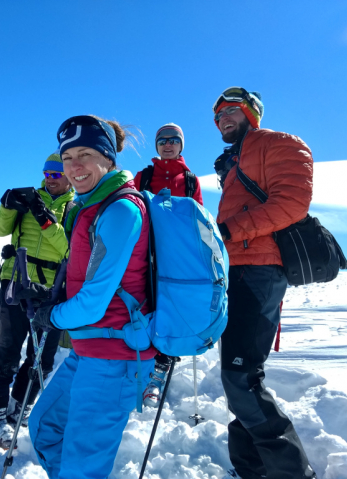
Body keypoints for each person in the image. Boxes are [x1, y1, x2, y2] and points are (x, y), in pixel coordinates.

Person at [27, 115, 157, 478]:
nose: (74, 166)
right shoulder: (92, 205)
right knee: (44, 429)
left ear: (108, 158)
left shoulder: (119, 209)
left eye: (85, 154)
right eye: (67, 157)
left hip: (116, 358)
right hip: (89, 351)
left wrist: (51, 316)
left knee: (82, 467)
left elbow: (94, 302)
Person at [212, 87, 317, 479]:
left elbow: (292, 202)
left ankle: (291, 473)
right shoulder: (233, 160)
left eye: (231, 111)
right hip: (238, 272)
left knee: (240, 377)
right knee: (238, 373)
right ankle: (250, 468)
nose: (223, 118)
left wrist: (227, 230)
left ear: (252, 113)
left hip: (260, 272)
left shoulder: (278, 143)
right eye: (218, 115)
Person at [0, 151, 74, 449]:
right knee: (8, 353)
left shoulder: (75, 207)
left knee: (42, 359)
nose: (52, 180)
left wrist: (45, 220)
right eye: (48, 174)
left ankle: (19, 407)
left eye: (58, 174)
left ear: (70, 175)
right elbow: (0, 230)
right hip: (15, 284)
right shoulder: (27, 199)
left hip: (52, 291)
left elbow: (69, 250)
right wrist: (8, 206)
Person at [134, 122, 204, 408]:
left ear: (181, 145)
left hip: (175, 254)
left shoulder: (190, 180)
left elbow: (197, 217)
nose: (167, 144)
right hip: (144, 250)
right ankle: (140, 361)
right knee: (144, 304)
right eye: (162, 140)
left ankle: (159, 370)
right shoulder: (144, 175)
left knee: (172, 307)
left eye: (173, 139)